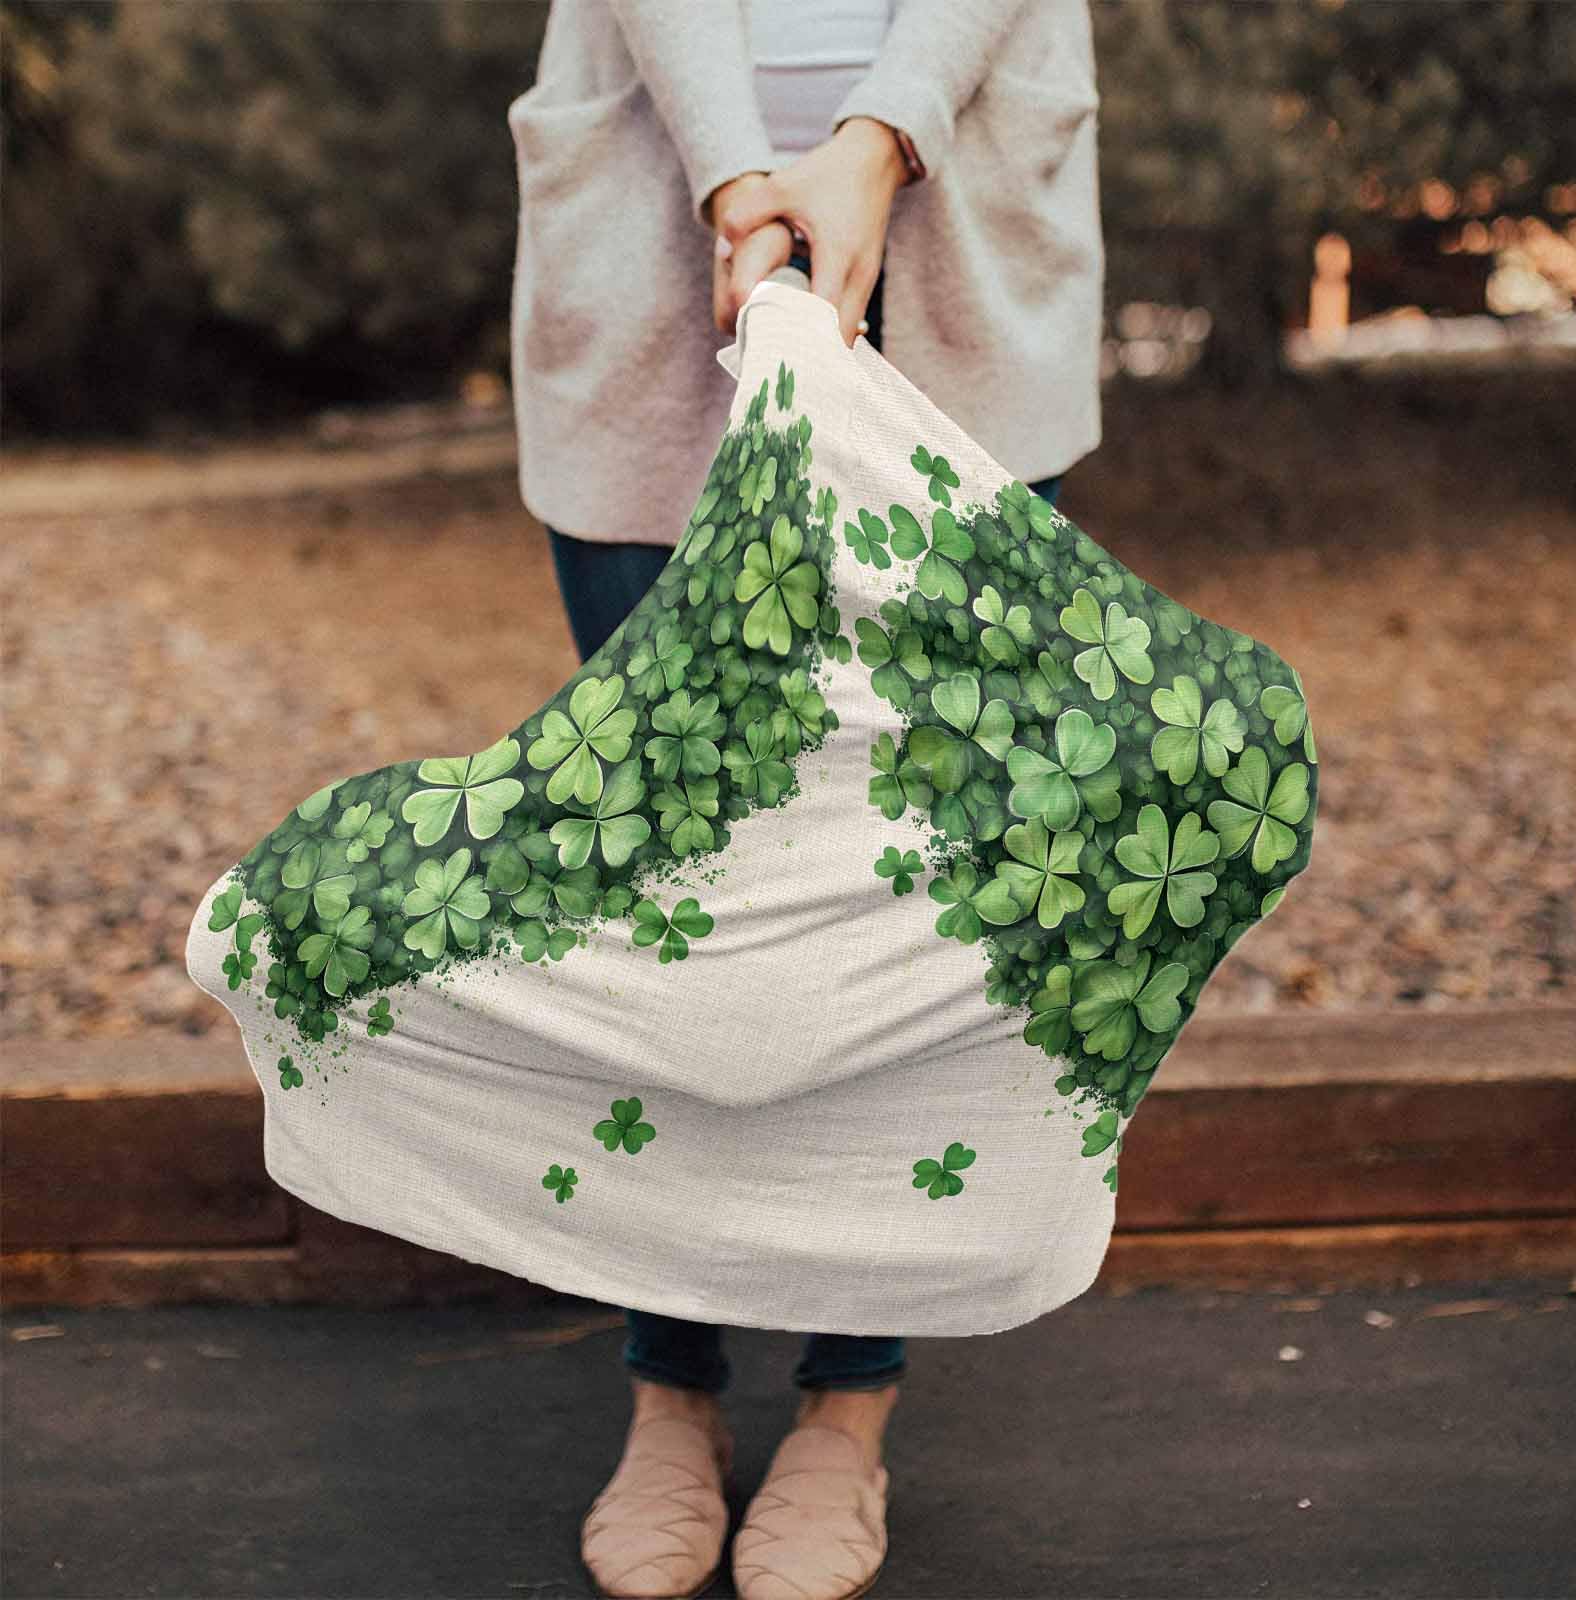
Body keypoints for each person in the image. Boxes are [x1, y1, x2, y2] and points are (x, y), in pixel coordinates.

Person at [506, 4, 1104, 1596]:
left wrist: (878, 135)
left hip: (960, 220)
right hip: (656, 222)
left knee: (909, 878)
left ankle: (849, 1402)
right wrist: (734, 177)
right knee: (665, 872)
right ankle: (669, 1386)